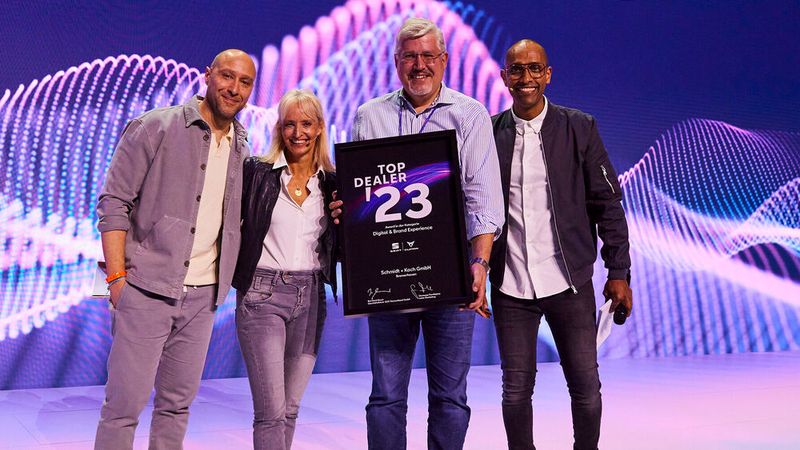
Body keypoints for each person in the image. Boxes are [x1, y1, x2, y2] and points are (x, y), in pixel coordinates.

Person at [331, 17, 504, 450]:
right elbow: (361, 197)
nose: (419, 65)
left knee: (450, 397)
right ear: (396, 62)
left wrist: (479, 264)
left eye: (428, 56)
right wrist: (345, 208)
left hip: (451, 282)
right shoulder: (369, 117)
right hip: (388, 283)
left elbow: (484, 200)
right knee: (386, 397)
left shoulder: (469, 115)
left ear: (444, 60)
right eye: (410, 56)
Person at [94, 49, 256, 450]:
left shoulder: (242, 145)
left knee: (176, 407)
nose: (234, 88)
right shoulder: (156, 127)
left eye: (245, 82)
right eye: (226, 76)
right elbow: (114, 203)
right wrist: (117, 280)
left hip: (203, 298)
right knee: (122, 409)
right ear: (207, 76)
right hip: (146, 290)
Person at [489, 39, 634, 450]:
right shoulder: (488, 134)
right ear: (505, 78)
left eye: (535, 69)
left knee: (585, 386)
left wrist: (619, 272)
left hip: (569, 282)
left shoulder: (580, 127)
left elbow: (608, 203)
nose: (526, 78)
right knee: (515, 392)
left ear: (548, 75)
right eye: (517, 70)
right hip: (511, 286)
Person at [231, 89, 337, 450]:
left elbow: (344, 246)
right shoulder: (257, 173)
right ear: (279, 128)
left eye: (306, 123)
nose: (298, 133)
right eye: (290, 124)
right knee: (272, 411)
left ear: (320, 128)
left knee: (291, 408)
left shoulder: (333, 183)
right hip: (262, 296)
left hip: (311, 297)